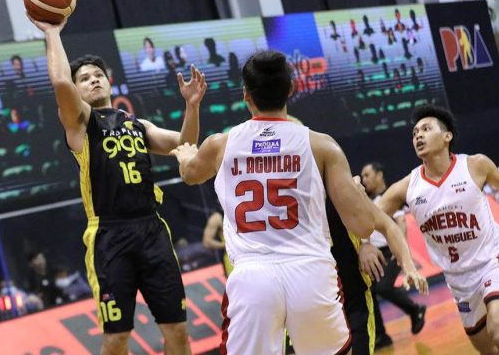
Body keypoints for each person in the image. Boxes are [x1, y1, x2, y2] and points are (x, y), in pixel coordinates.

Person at [170, 50, 427, 354]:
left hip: (253, 278)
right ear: (290, 89)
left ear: (245, 95)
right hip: (310, 272)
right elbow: (361, 224)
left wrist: (186, 153)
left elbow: (188, 174)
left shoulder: (220, 144)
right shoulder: (322, 145)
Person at [28, 14, 208, 355]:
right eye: (85, 79)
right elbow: (61, 83)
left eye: (98, 75)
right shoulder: (81, 124)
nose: (93, 80)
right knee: (116, 338)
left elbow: (185, 144)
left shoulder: (137, 124)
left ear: (109, 83)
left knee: (178, 331)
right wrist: (52, 33)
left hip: (152, 230)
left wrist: (191, 107)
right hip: (110, 236)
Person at [377, 105, 499, 355]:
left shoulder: (474, 165)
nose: (418, 135)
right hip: (459, 280)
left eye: (426, 129)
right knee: (489, 351)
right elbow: (372, 218)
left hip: (493, 261)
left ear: (447, 136)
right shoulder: (407, 187)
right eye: (415, 132)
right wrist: (364, 243)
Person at [357, 162, 427, 349]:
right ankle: (381, 336)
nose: (364, 180)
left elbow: (401, 222)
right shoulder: (369, 202)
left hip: (390, 252)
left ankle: (415, 309)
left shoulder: (388, 198)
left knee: (382, 287)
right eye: (362, 176)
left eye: (367, 175)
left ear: (379, 175)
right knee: (370, 291)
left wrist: (401, 250)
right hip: (377, 255)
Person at [201, 209, 233, 277]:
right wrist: (226, 245)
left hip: (252, 254)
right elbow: (207, 241)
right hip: (231, 258)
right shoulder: (217, 217)